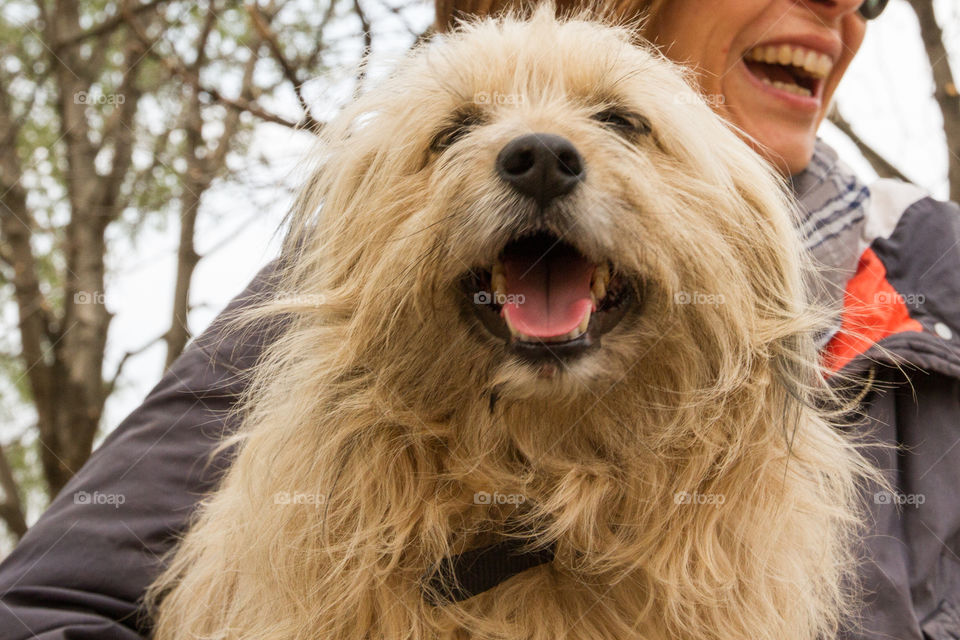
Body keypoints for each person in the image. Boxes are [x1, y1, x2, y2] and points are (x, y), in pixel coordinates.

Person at [2, 1, 959, 639]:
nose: (837, 5)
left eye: (625, 122)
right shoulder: (330, 298)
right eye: (455, 132)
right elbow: (55, 603)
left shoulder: (933, 274)